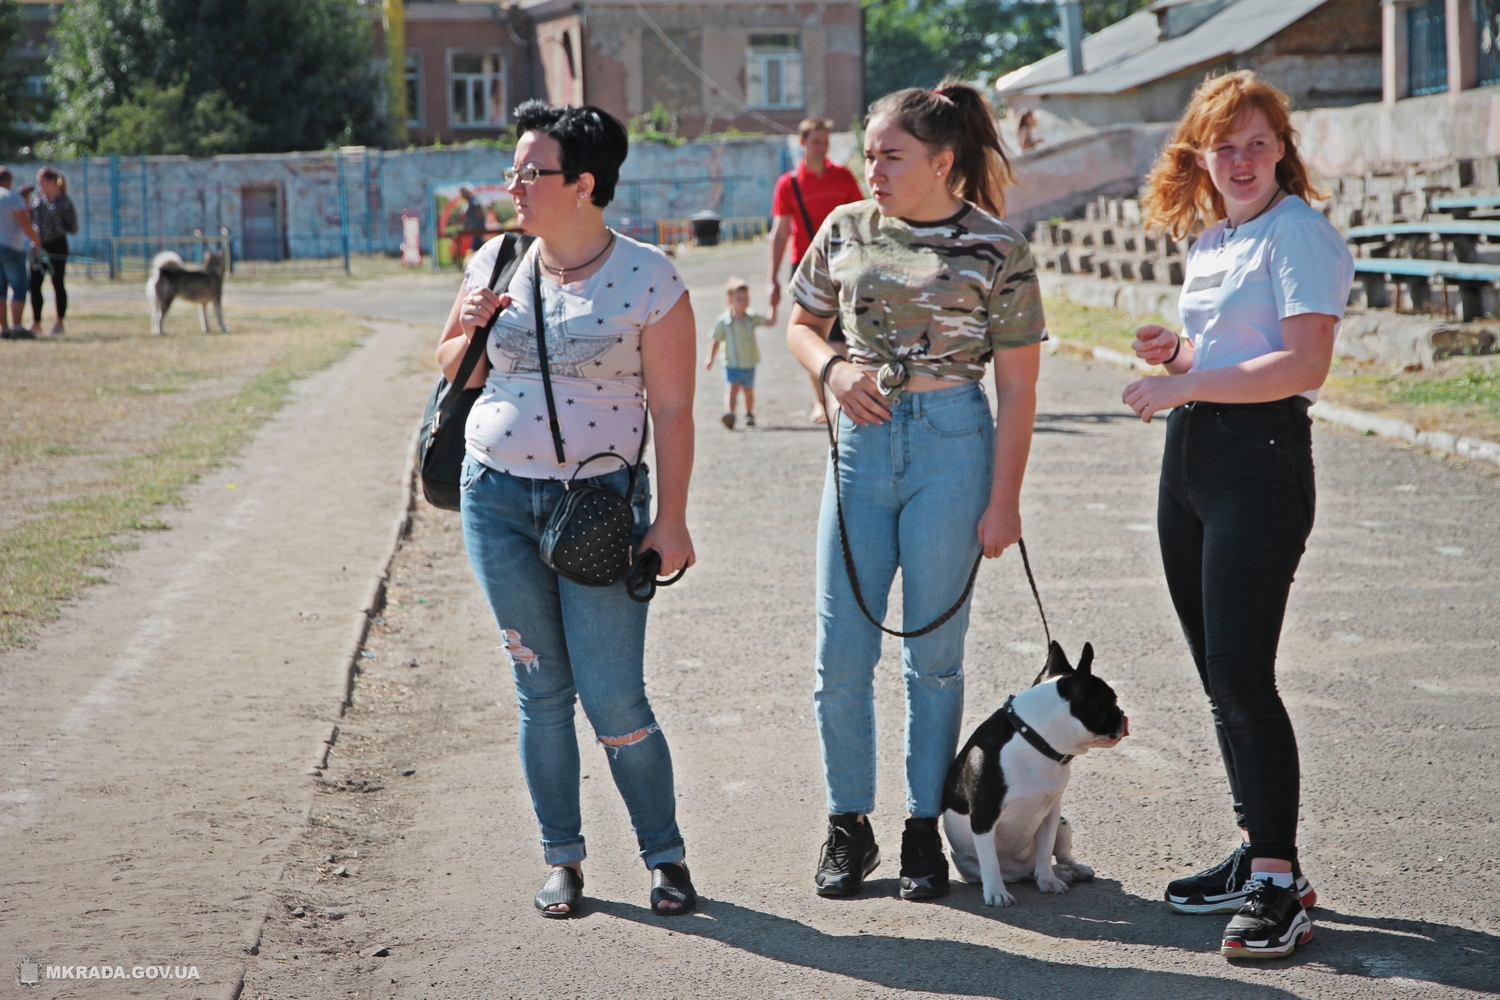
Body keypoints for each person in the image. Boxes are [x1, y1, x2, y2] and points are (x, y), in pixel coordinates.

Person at [436, 100, 700, 919]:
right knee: (540, 691)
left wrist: (673, 520)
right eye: (513, 169)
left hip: (601, 509)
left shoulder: (650, 277)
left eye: (530, 172)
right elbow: (449, 364)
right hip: (496, 499)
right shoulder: (496, 260)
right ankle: (564, 861)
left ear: (584, 184)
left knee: (615, 697)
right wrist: (471, 329)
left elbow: (676, 412)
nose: (512, 184)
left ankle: (666, 857)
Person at [784, 81, 1045, 901]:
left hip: (953, 447)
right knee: (840, 653)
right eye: (869, 154)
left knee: (934, 660)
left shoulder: (1000, 247)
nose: (873, 169)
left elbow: (1021, 392)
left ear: (941, 159)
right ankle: (847, 825)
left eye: (890, 156)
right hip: (859, 447)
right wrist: (830, 369)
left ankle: (922, 830)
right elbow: (799, 323)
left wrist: (1003, 503)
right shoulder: (845, 228)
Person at [1123, 71, 1353, 960]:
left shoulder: (1299, 232)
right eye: (1227, 145)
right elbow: (1233, 351)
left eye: (1260, 142)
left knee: (1244, 677)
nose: (1244, 159)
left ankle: (1277, 880)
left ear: (1284, 150)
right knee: (1219, 676)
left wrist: (1187, 379)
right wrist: (1178, 352)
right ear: (1202, 158)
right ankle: (1260, 851)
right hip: (1192, 460)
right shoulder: (1216, 238)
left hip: (1258, 466)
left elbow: (1303, 365)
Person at [768, 116, 864, 423]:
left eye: (825, 141)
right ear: (803, 143)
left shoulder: (844, 177)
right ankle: (821, 401)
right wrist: (772, 278)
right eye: (816, 141)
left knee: (839, 337)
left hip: (844, 264)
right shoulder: (789, 184)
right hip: (806, 266)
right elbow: (781, 232)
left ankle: (837, 397)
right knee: (811, 334)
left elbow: (860, 221)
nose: (822, 147)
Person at [705, 276, 776, 429]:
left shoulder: (751, 318)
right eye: (739, 299)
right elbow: (715, 340)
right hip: (731, 363)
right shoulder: (723, 322)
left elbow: (770, 322)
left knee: (748, 391)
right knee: (731, 388)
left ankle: (749, 414)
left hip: (748, 362)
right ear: (730, 301)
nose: (744, 302)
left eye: (746, 298)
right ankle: (729, 413)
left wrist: (773, 306)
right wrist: (710, 358)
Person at [28, 167, 78, 336]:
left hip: (57, 245)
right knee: (34, 284)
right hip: (39, 246)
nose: (39, 185)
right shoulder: (37, 199)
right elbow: (30, 220)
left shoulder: (63, 201)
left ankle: (59, 322)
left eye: (42, 181)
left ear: (51, 182)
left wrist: (56, 229)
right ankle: (36, 322)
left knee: (58, 283)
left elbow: (73, 227)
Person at [0, 166, 43, 340]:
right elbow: (24, 222)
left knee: (0, 290)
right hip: (11, 248)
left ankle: (4, 328)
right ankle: (17, 327)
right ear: (9, 181)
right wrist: (36, 242)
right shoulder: (11, 197)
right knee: (19, 287)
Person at [461, 186, 488, 258]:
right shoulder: (467, 203)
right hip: (474, 230)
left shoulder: (473, 200)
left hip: (478, 229)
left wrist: (480, 225)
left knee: (477, 246)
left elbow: (479, 211)